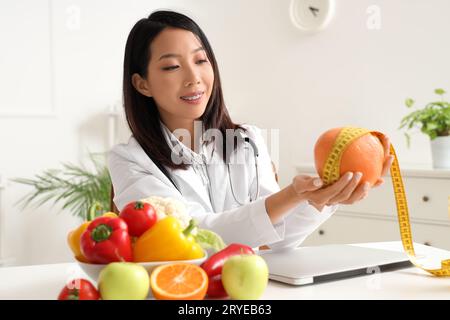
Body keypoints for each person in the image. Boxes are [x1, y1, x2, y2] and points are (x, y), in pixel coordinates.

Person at [108, 10, 393, 250]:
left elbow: (277, 238)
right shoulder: (129, 161)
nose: (194, 78)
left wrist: (322, 199)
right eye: (171, 66)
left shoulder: (247, 140)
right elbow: (192, 236)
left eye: (200, 60)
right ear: (141, 84)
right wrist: (292, 195)